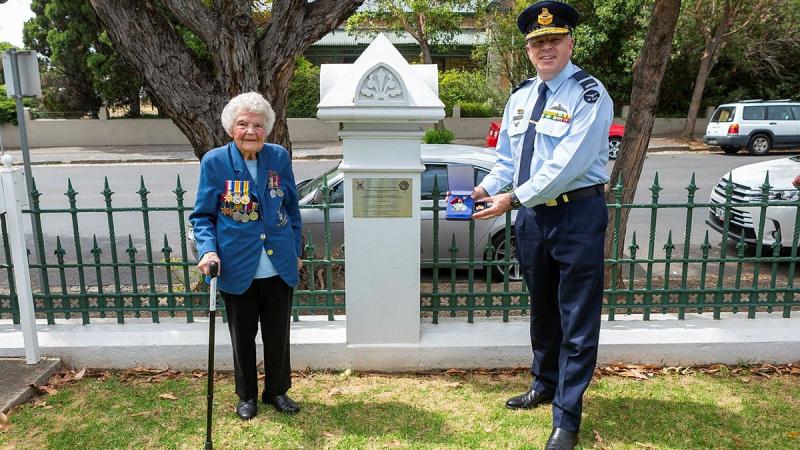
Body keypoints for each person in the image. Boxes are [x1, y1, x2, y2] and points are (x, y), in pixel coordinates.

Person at [471, 2, 613, 449]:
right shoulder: (520, 97)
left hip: (576, 214)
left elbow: (568, 164)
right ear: (529, 50)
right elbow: (508, 162)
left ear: (570, 43)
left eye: (553, 40)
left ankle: (567, 418)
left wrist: (510, 198)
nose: (545, 48)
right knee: (543, 310)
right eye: (537, 43)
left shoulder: (589, 95)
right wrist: (482, 189)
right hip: (533, 217)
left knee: (576, 318)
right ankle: (543, 383)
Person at [190, 92, 303, 420]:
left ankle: (277, 391)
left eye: (257, 125)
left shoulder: (279, 157)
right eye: (243, 124)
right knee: (242, 336)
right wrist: (208, 250)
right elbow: (203, 216)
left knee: (278, 335)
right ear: (231, 128)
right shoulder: (215, 162)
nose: (250, 131)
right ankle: (247, 396)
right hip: (237, 266)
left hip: (278, 265)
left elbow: (291, 208)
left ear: (266, 129)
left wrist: (295, 251)